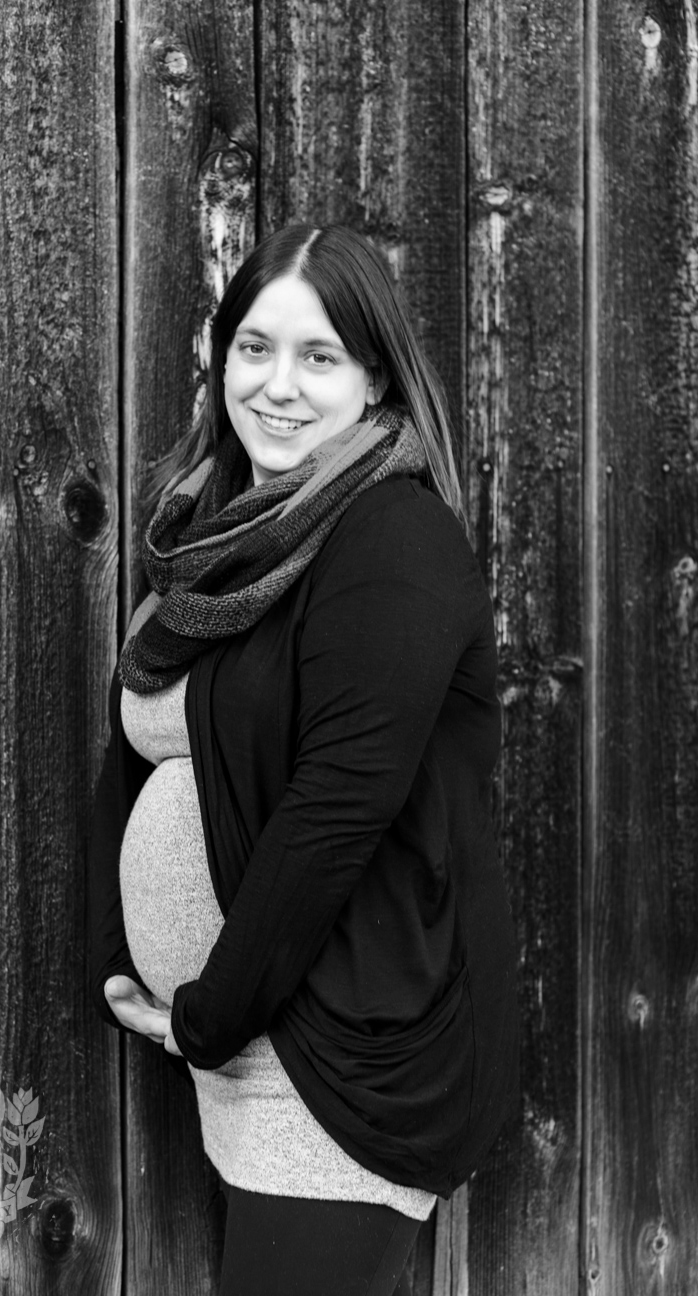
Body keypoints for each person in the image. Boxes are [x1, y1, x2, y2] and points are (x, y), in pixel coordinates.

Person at [87, 224, 519, 1296]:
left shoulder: (392, 538)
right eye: (253, 347)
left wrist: (211, 1015)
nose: (276, 385)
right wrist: (125, 954)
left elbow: (338, 805)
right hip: (244, 1041)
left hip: (340, 1050)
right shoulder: (223, 539)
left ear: (375, 378)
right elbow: (151, 752)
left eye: (318, 356)